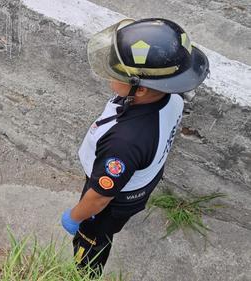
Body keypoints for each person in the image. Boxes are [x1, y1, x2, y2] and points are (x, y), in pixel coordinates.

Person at [60, 18, 210, 275]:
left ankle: (83, 272)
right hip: (140, 180)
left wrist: (75, 217)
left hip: (114, 199)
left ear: (139, 90)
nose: (109, 72)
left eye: (116, 72)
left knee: (92, 240)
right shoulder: (170, 96)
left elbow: (99, 198)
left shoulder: (123, 143)